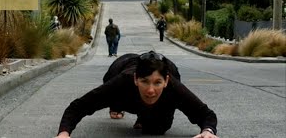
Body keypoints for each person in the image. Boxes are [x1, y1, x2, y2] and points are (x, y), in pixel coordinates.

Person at [56, 51, 218, 138]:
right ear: (136, 79)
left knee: (157, 129)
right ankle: (117, 106)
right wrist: (64, 133)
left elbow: (206, 114)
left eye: (157, 83)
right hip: (123, 66)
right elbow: (78, 106)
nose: (150, 90)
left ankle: (145, 116)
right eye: (144, 81)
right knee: (114, 97)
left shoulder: (173, 87)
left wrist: (208, 131)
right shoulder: (122, 81)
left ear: (166, 81)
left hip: (167, 76)